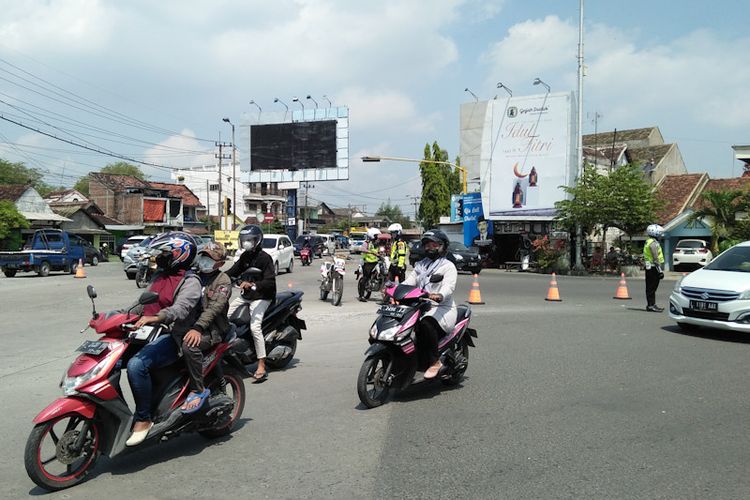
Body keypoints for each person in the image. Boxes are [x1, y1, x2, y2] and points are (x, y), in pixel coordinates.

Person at [126, 232, 201, 446]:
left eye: (163, 254)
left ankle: (144, 418)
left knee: (135, 365)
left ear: (179, 254)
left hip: (173, 335)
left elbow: (180, 309)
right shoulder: (159, 277)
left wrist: (157, 317)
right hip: (148, 331)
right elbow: (140, 305)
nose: (158, 258)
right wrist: (114, 315)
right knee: (112, 361)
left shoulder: (190, 281)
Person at [180, 241, 232, 413]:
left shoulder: (222, 280)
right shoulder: (192, 276)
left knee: (189, 346)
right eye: (203, 256)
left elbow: (214, 308)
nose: (204, 261)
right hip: (191, 324)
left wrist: (198, 328)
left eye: (209, 258)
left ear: (220, 263)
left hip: (213, 329)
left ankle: (197, 389)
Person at [403, 229, 457, 379]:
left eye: (434, 244)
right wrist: (394, 289)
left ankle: (434, 362)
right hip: (420, 305)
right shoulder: (420, 265)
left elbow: (449, 286)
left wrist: (440, 295)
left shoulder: (448, 266)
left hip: (441, 308)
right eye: (427, 245)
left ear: (443, 246)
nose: (429, 248)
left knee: (426, 324)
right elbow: (409, 282)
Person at [226, 225, 276, 382]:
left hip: (262, 296)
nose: (246, 243)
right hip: (246, 296)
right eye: (244, 240)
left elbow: (269, 281)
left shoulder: (264, 258)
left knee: (255, 327)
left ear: (257, 240)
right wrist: (215, 278)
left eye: (249, 240)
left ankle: (261, 364)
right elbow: (233, 271)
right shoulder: (245, 256)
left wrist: (252, 285)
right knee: (223, 316)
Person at [643, 224, 665, 312]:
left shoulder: (648, 241)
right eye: (659, 234)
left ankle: (652, 304)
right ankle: (651, 305)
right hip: (653, 268)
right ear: (655, 233)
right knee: (652, 287)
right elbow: (655, 257)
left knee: (650, 287)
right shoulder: (653, 243)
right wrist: (660, 271)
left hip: (649, 267)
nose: (660, 236)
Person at [358, 227, 381, 302]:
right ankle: (361, 296)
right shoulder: (366, 242)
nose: (377, 237)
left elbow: (379, 251)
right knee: (365, 277)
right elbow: (362, 249)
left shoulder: (376, 243)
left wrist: (381, 253)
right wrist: (370, 252)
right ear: (372, 235)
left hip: (375, 262)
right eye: (376, 235)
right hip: (367, 262)